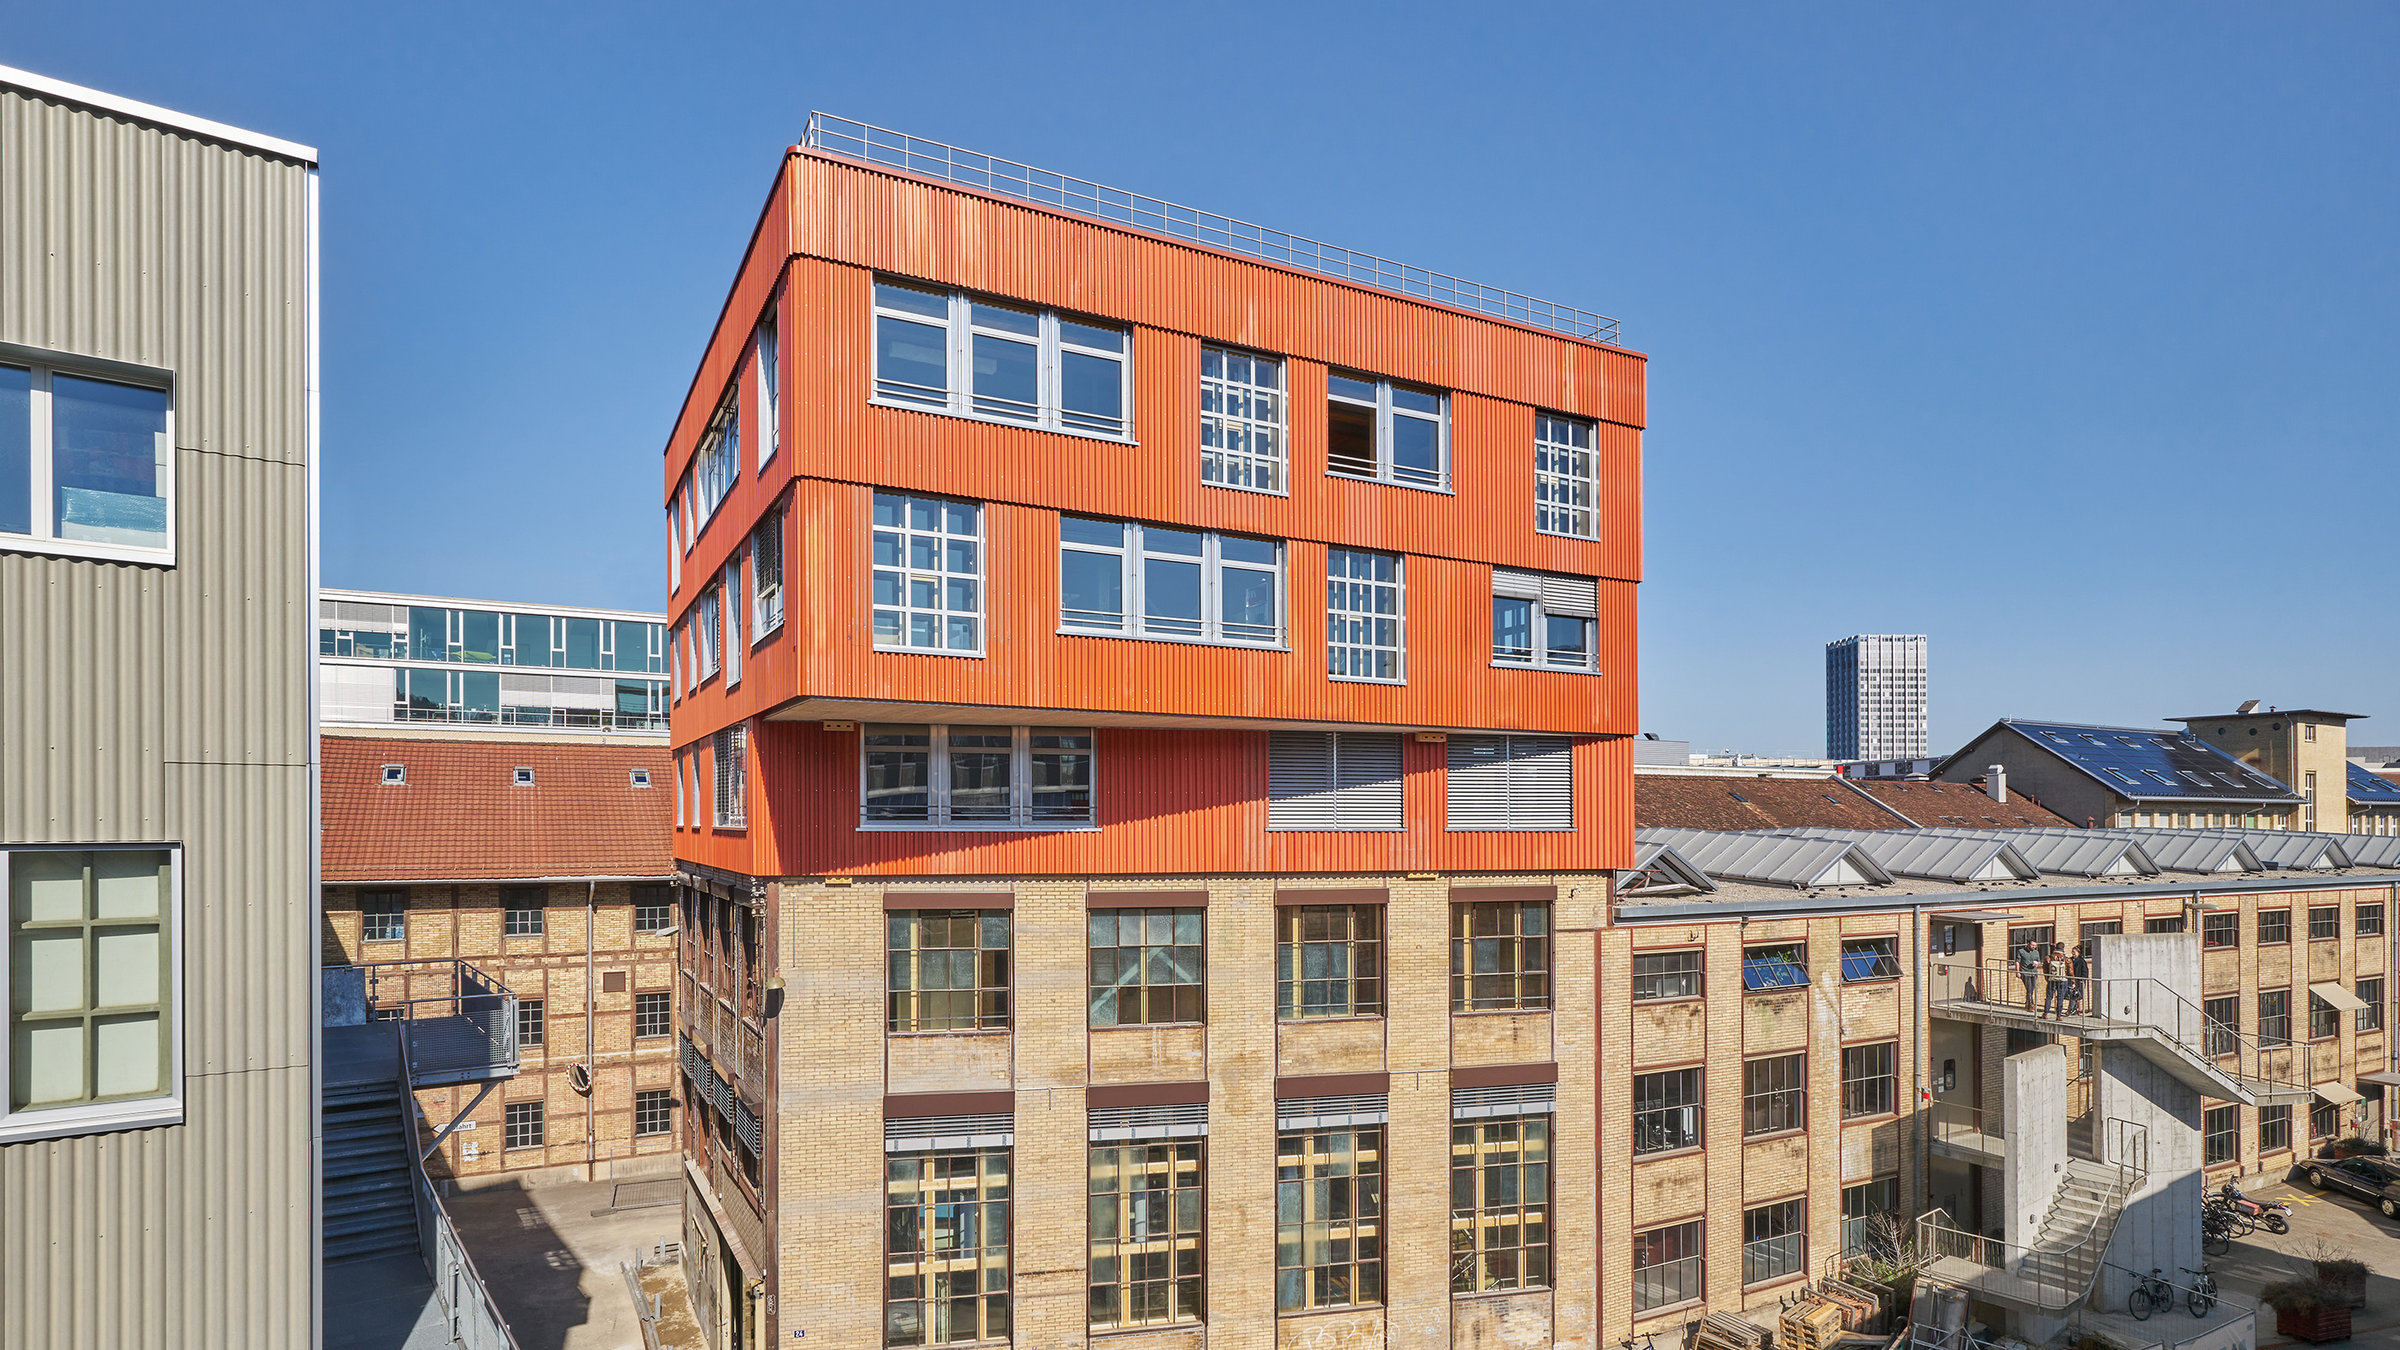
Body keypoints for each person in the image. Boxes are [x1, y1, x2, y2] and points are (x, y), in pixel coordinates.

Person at [2043, 943, 2072, 1017]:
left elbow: (2045, 969)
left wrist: (2047, 978)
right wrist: (2072, 980)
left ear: (2055, 948)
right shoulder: (2067, 959)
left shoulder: (2048, 958)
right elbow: (2070, 971)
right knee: (2060, 997)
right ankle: (2059, 1015)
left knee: (2049, 996)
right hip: (2063, 980)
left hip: (2052, 979)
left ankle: (2045, 1013)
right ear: (2063, 948)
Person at [2014, 937, 2043, 1010]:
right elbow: (2017, 962)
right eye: (2032, 945)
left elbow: (2039, 961)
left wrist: (2037, 964)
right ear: (2028, 944)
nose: (2034, 947)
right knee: (2029, 988)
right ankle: (2031, 1005)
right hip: (2025, 972)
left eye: (2035, 946)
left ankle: (2027, 1004)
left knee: (2032, 989)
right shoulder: (2021, 951)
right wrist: (2018, 972)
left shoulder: (2036, 952)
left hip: (2034, 972)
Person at [2067, 945, 2091, 1015]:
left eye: (2074, 952)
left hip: (2079, 980)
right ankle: (2073, 1009)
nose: (2073, 953)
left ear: (2078, 952)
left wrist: (2082, 979)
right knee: (2073, 995)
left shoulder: (2081, 961)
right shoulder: (2070, 960)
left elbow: (2085, 971)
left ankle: (2071, 1010)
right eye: (2072, 952)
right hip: (2072, 980)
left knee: (2075, 995)